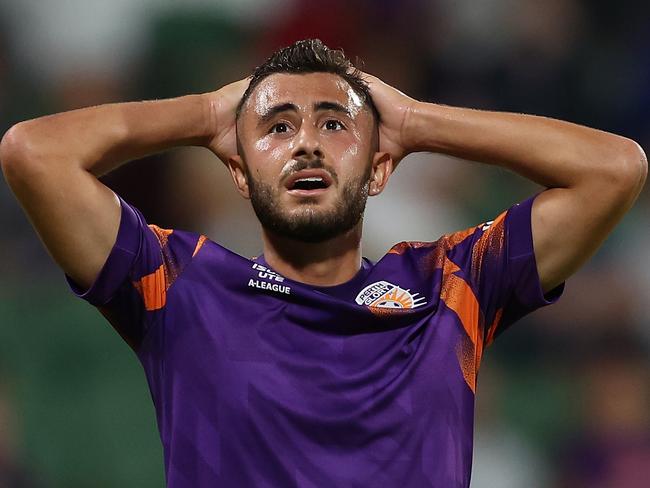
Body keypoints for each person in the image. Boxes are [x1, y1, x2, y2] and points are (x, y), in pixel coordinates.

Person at [0, 39, 646, 487]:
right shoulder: (181, 284)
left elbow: (614, 170)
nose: (306, 142)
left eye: (335, 125)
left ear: (380, 166)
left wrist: (417, 122)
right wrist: (204, 112)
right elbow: (34, 154)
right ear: (238, 171)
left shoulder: (452, 282)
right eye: (277, 127)